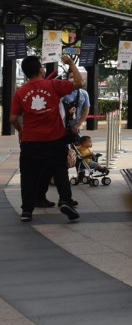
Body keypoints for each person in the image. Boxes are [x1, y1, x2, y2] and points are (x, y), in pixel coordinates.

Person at [10, 54, 84, 222]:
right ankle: (65, 200)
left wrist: (21, 130)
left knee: (28, 175)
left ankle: (27, 211)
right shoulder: (53, 85)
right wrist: (71, 63)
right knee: (59, 171)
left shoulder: (20, 92)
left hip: (30, 141)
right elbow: (80, 83)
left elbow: (13, 119)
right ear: (40, 70)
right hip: (55, 140)